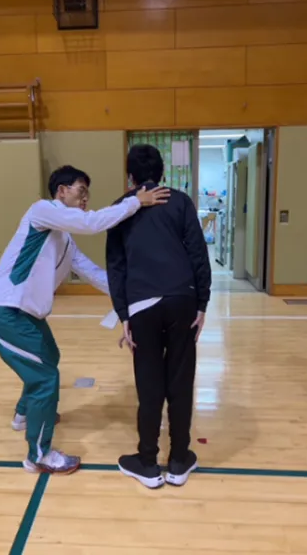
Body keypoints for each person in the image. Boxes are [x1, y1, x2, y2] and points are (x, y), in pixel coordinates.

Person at [0, 165, 170, 475]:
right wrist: (136, 201)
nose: (85, 199)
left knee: (49, 357)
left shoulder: (64, 240)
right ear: (61, 191)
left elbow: (93, 274)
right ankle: (38, 456)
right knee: (45, 377)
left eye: (87, 195)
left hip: (25, 313)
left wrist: (135, 292)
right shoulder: (42, 210)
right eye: (81, 192)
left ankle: (24, 414)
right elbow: (92, 223)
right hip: (4, 310)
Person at [106, 144, 211, 489]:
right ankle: (179, 459)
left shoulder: (120, 208)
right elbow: (198, 253)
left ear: (130, 175)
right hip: (182, 299)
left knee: (149, 383)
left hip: (141, 305)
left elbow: (116, 267)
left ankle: (148, 462)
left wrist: (123, 314)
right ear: (162, 172)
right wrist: (202, 303)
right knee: (180, 380)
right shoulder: (180, 201)